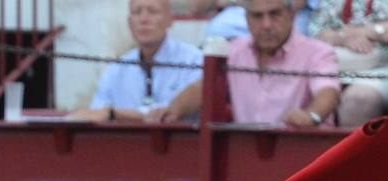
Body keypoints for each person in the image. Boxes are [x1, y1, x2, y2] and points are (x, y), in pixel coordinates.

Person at [72, 0, 205, 123]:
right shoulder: (117, 69)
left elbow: (168, 113)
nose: (144, 19)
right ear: (129, 23)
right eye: (136, 12)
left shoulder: (194, 60)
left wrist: (115, 114)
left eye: (153, 11)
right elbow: (98, 112)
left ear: (170, 20)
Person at [228, 0, 342, 126]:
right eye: (257, 16)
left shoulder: (318, 53)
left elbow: (328, 92)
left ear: (291, 15)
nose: (266, 25)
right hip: (245, 143)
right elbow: (206, 88)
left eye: (275, 14)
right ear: (247, 19)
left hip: (298, 143)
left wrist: (312, 116)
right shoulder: (233, 51)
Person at [308, 0, 388, 126]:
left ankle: (351, 146)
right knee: (301, 86)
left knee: (358, 99)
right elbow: (317, 30)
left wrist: (363, 32)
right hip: (337, 61)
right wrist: (342, 38)